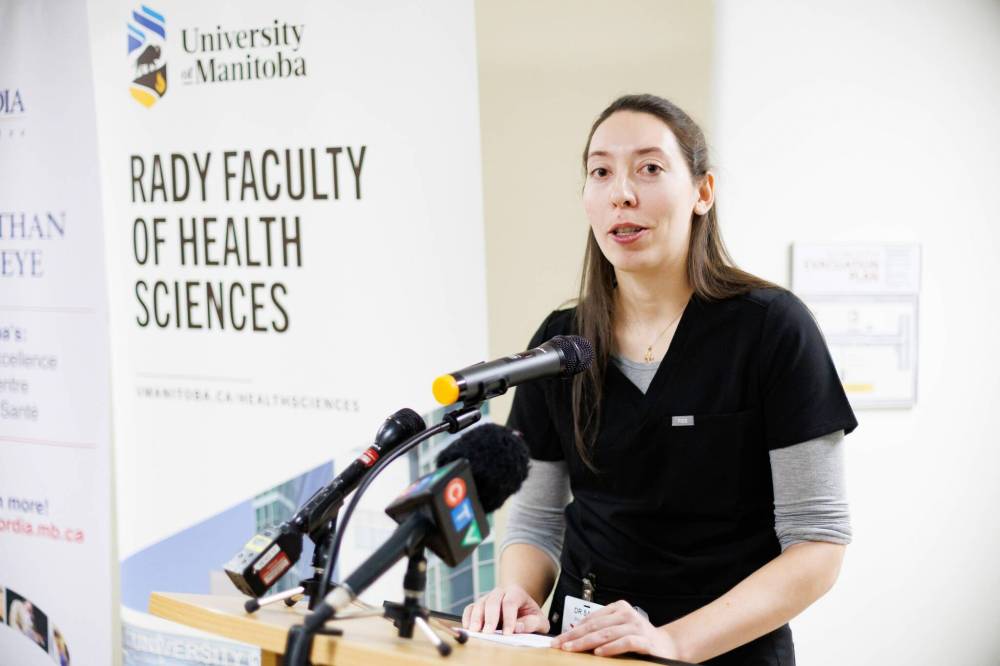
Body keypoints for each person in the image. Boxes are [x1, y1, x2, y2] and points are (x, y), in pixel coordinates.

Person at [461, 94, 857, 665]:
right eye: (601, 172)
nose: (622, 193)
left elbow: (818, 545)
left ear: (703, 192)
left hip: (725, 653)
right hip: (581, 649)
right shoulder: (563, 341)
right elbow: (537, 518)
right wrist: (519, 593)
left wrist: (672, 641)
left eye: (649, 168)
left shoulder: (771, 329)